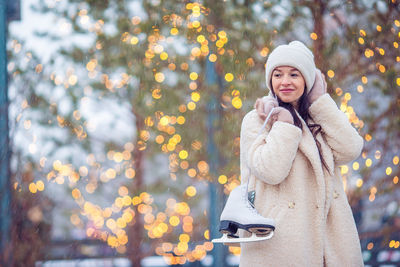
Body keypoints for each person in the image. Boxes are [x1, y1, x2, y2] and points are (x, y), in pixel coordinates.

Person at [239, 41, 364, 266]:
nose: (285, 82)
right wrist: (284, 126)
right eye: (278, 75)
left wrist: (320, 102)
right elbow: (271, 171)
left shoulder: (319, 118)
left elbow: (350, 149)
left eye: (294, 74)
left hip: (329, 238)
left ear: (307, 79)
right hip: (281, 241)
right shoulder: (257, 120)